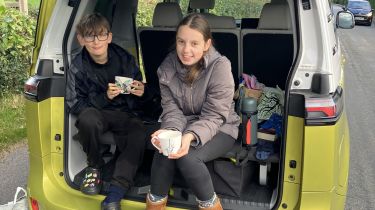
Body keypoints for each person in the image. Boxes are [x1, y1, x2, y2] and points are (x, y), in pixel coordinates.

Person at [146, 14, 240, 210]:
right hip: (184, 124)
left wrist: (189, 136)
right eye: (181, 42)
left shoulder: (220, 66)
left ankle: (210, 205)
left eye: (194, 43)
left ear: (207, 44)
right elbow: (171, 110)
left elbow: (214, 116)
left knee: (188, 157)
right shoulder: (167, 67)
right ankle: (154, 204)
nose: (186, 50)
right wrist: (169, 132)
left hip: (221, 126)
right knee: (164, 151)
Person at [66, 13, 149, 210]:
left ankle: (115, 194)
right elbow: (75, 104)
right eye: (89, 36)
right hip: (97, 113)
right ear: (81, 39)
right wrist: (105, 97)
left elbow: (139, 93)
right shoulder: (78, 67)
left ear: (109, 37)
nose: (96, 41)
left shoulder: (124, 59)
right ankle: (94, 166)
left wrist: (142, 91)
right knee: (88, 119)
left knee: (138, 131)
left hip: (125, 113)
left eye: (101, 35)